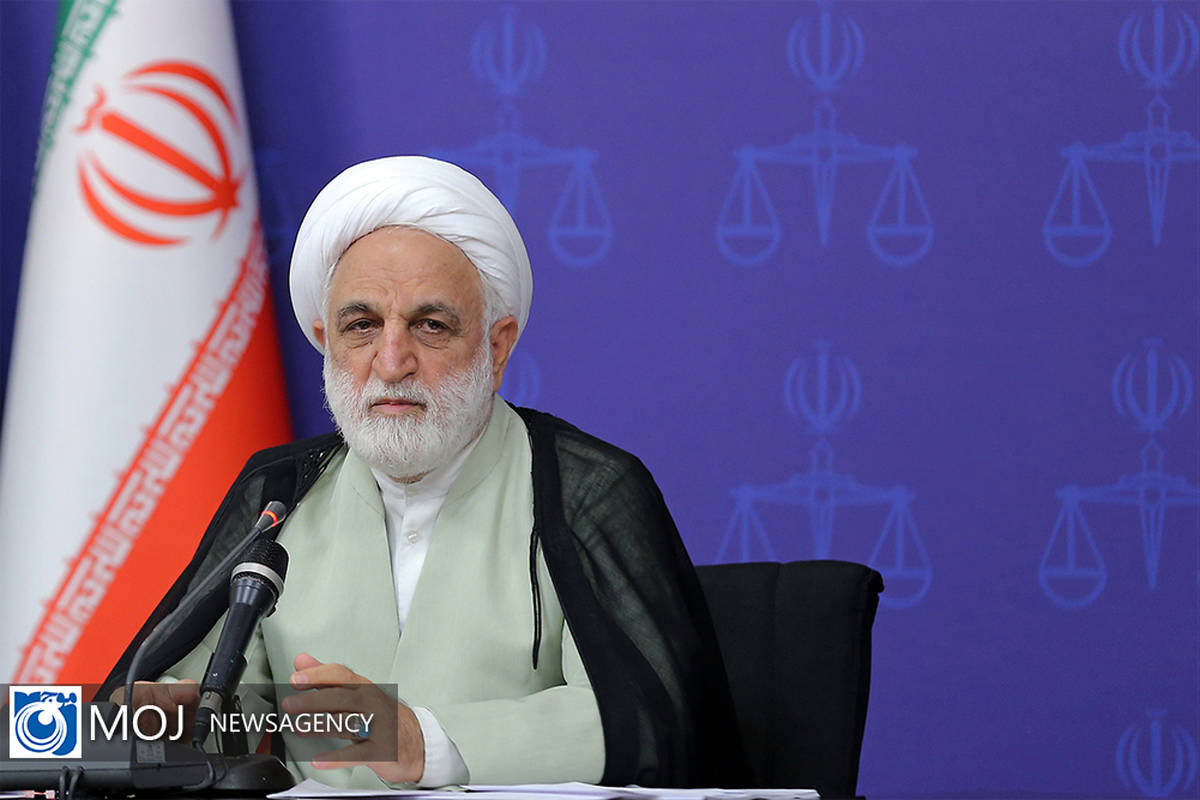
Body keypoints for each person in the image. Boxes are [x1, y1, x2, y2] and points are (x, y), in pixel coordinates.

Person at [103, 156, 745, 789]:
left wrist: (423, 741)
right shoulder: (281, 493)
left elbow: (652, 721)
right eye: (362, 326)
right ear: (326, 342)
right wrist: (121, 722)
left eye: (430, 325)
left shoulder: (583, 489)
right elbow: (220, 709)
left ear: (496, 346)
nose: (391, 361)